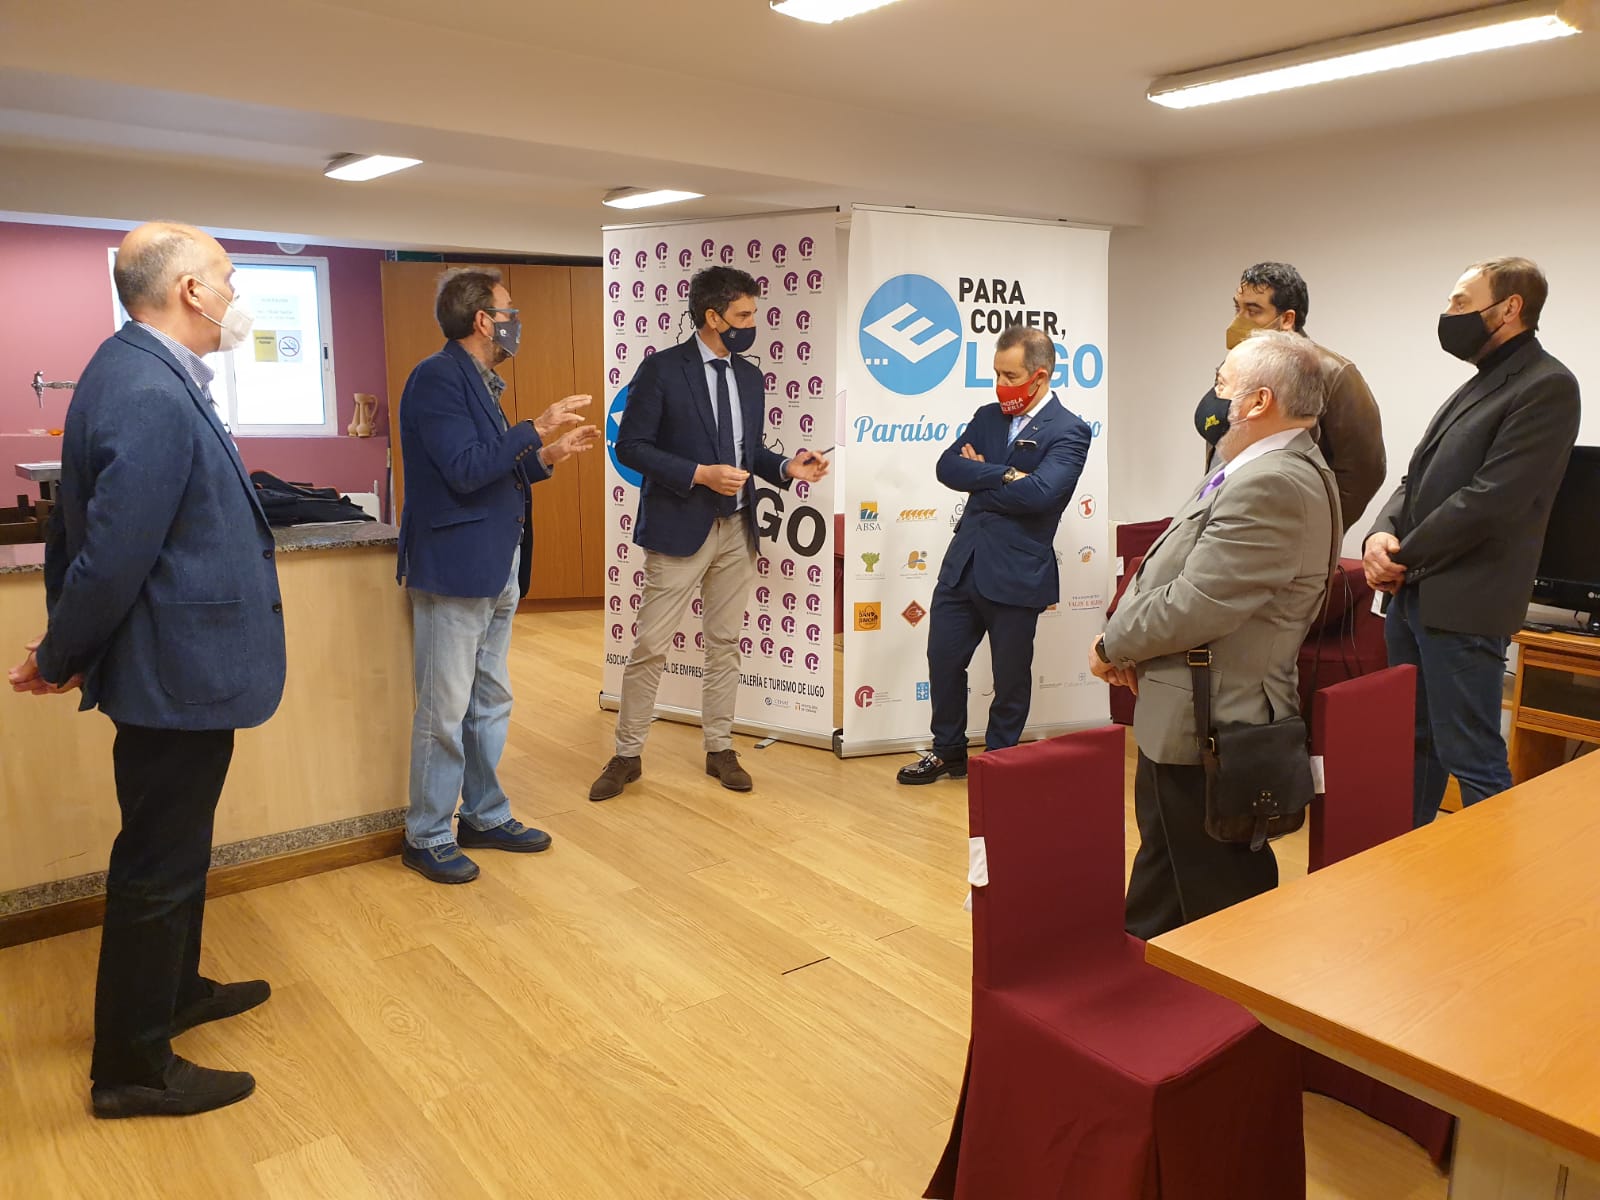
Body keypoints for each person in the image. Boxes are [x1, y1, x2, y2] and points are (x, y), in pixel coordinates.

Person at [7, 221, 284, 1117]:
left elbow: (84, 530)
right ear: (190, 291)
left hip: (180, 669)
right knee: (158, 864)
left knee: (176, 849)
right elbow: (111, 553)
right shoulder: (149, 389)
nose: (237, 295)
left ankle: (173, 995)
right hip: (175, 673)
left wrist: (68, 645)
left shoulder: (136, 369)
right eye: (228, 278)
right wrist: (63, 652)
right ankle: (131, 1067)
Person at [1096, 330, 1338, 939]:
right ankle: (1143, 976)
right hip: (1186, 704)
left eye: (1222, 382)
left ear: (1258, 401)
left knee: (1220, 898)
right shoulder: (1251, 466)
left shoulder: (1274, 481)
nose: (1213, 394)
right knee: (1165, 868)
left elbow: (1198, 602)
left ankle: (1223, 1000)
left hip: (1214, 721)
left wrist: (1112, 645)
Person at [588, 266, 828, 801]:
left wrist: (788, 467)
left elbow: (750, 451)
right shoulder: (661, 371)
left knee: (725, 643)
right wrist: (699, 474)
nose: (752, 324)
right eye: (743, 315)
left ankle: (720, 747)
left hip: (737, 528)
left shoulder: (750, 377)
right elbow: (631, 447)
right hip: (678, 529)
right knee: (651, 645)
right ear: (713, 317)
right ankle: (627, 754)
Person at [397, 267, 599, 883]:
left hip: (496, 562)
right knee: (445, 709)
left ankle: (483, 814)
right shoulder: (436, 378)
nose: (516, 323)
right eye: (510, 311)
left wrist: (543, 457)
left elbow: (487, 467)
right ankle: (427, 833)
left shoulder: (481, 382)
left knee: (489, 701)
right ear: (484, 320)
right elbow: (462, 470)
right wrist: (534, 429)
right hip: (456, 568)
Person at [1363, 257, 1580, 827]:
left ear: (1509, 308)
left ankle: (1495, 878)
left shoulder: (1547, 385)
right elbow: (1416, 477)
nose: (1449, 313)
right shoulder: (1479, 382)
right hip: (1413, 596)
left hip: (1464, 603)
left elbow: (1491, 499)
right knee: (1413, 745)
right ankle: (1412, 856)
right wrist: (1381, 533)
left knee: (1472, 759)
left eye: (1461, 302)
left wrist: (1402, 556)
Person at [897, 326, 1091, 784]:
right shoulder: (988, 416)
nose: (1000, 385)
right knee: (943, 660)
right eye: (996, 374)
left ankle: (999, 762)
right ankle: (948, 752)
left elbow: (1041, 495)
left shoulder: (1069, 430)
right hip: (962, 566)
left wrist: (981, 475)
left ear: (1040, 376)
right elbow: (947, 467)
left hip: (1017, 572)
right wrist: (1005, 475)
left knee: (1010, 678)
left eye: (1010, 376)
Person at [1195, 261, 1385, 532]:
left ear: (1287, 319)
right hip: (1223, 514)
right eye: (1238, 308)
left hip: (1283, 529)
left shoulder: (1333, 373)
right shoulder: (1238, 365)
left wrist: (1314, 530)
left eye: (1253, 311)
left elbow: (1365, 471)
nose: (1239, 321)